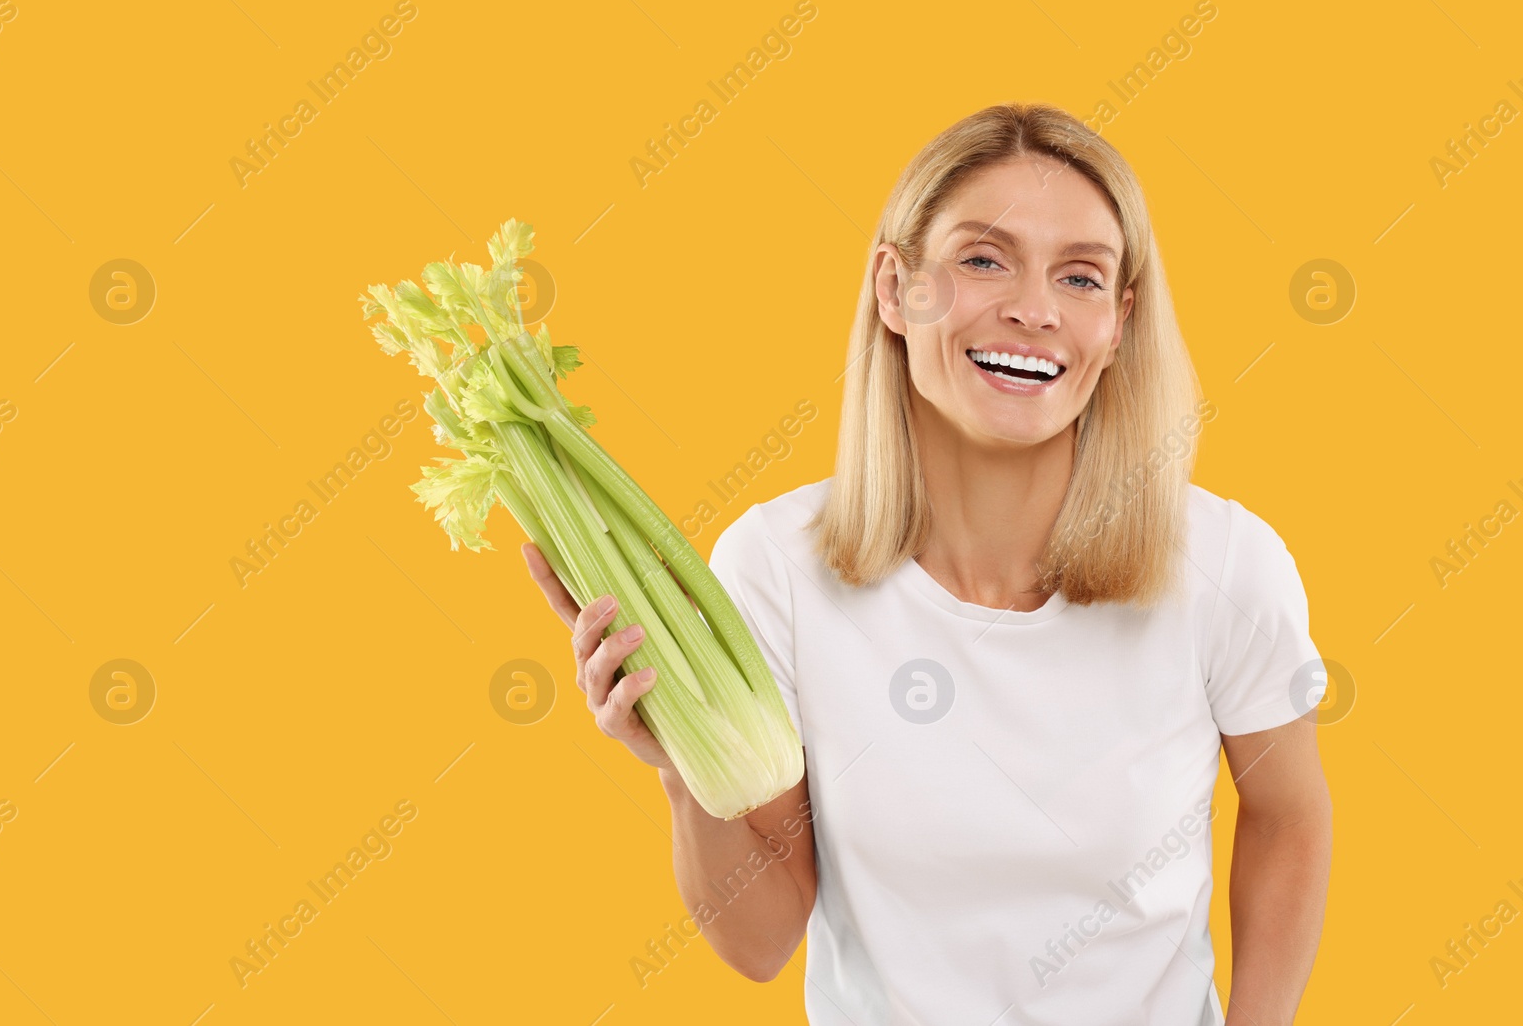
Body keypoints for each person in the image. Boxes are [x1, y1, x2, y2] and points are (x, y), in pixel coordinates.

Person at [523, 102, 1331, 1025]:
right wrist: (679, 767)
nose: (1034, 309)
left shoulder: (1225, 563)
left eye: (1081, 277)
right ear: (893, 288)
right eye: (983, 259)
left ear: (1118, 323)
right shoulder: (774, 567)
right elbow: (760, 943)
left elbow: (1289, 812)